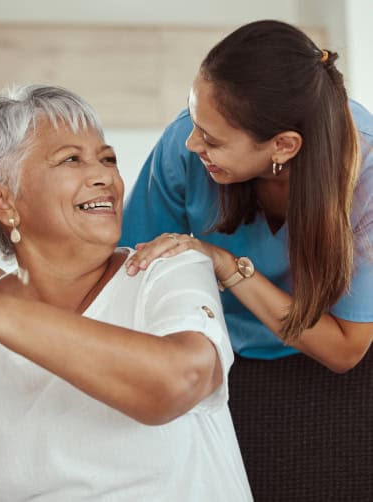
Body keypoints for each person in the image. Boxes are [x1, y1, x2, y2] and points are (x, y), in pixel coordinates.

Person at [0, 84, 252, 501]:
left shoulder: (166, 268)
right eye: (71, 159)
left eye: (107, 159)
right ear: (3, 199)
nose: (104, 175)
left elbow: (177, 383)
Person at [121, 20, 373, 371]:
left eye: (211, 140)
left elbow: (345, 349)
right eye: (195, 123)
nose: (191, 143)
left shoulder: (368, 178)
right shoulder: (186, 146)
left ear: (283, 146)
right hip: (214, 346)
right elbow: (131, 273)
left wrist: (227, 266)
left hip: (330, 355)